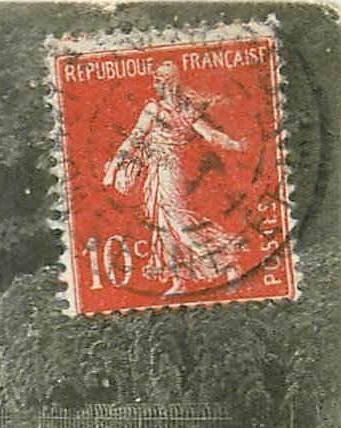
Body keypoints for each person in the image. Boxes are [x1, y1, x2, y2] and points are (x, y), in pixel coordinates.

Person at [102, 61, 247, 296]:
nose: (155, 84)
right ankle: (179, 281)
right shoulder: (168, 109)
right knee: (162, 227)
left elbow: (209, 134)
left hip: (169, 171)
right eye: (155, 79)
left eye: (159, 79)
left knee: (178, 224)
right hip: (157, 172)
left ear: (169, 82)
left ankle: (227, 265)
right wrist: (114, 167)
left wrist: (236, 145)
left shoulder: (170, 109)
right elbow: (135, 139)